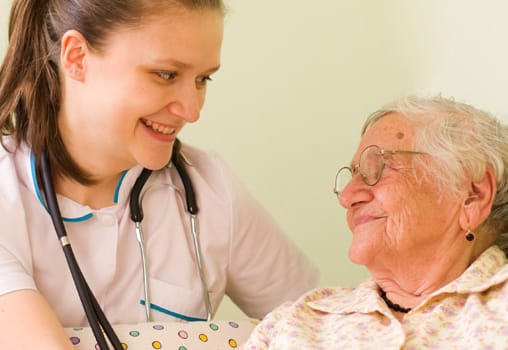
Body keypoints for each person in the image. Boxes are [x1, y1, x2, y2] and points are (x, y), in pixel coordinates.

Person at [0, 0, 319, 348]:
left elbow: (321, 328)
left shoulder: (211, 192)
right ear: (76, 57)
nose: (192, 111)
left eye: (202, 79)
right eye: (166, 75)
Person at [244, 95, 508, 349]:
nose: (348, 195)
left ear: (472, 195)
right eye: (352, 176)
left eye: (378, 168)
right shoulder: (294, 322)